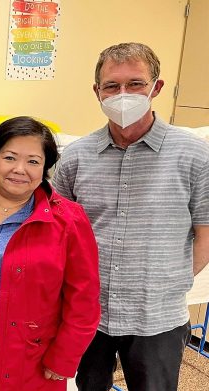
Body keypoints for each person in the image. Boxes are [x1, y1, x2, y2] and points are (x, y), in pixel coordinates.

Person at [52, 42, 209, 391]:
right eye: (112, 86)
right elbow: (57, 232)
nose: (123, 94)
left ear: (157, 87)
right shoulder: (75, 158)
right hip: (87, 315)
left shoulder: (195, 155)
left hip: (158, 317)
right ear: (97, 92)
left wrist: (169, 281)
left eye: (135, 84)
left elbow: (206, 232)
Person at [0, 117, 101, 390]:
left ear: (46, 168)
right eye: (10, 157)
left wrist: (63, 359)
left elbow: (84, 301)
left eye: (33, 161)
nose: (19, 169)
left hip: (30, 365)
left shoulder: (69, 221)